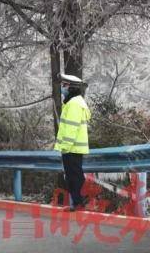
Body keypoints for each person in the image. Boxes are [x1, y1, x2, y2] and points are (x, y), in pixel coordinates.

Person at [54, 73, 91, 211]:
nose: (62, 88)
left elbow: (71, 128)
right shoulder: (73, 102)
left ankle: (79, 202)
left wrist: (65, 147)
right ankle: (77, 203)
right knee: (73, 175)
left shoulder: (74, 104)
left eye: (65, 85)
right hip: (72, 148)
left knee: (74, 176)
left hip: (72, 148)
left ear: (72, 88)